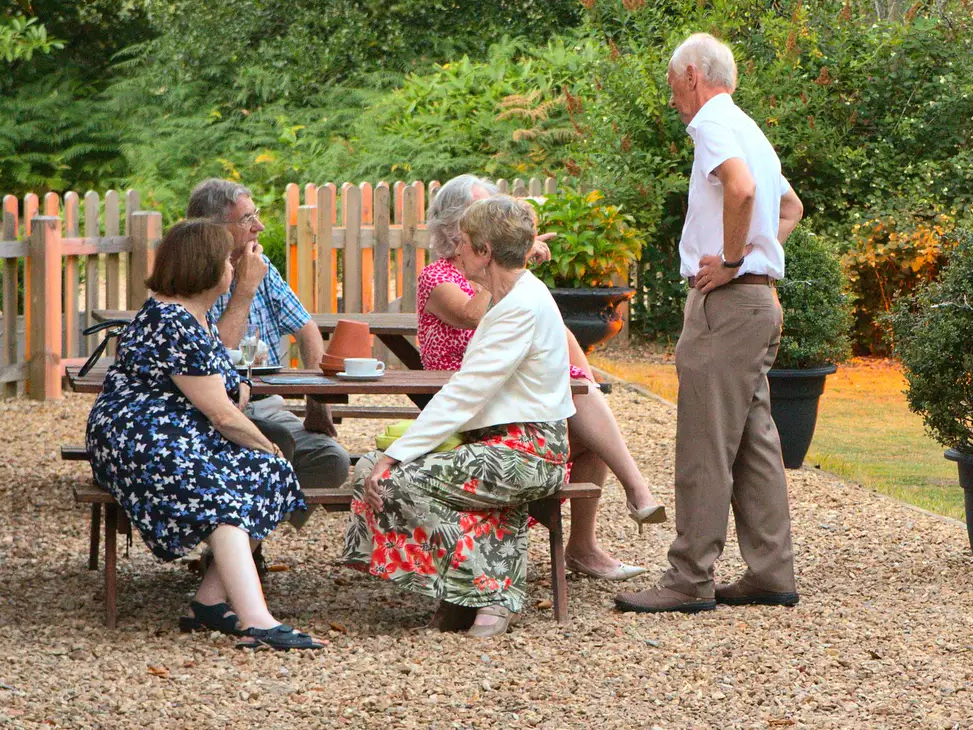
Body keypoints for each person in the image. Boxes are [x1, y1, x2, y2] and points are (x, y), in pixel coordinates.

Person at [615, 32, 804, 614]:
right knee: (754, 441)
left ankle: (689, 578)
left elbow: (742, 191)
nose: (673, 98)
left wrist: (729, 261)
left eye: (674, 85)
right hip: (759, 303)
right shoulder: (754, 132)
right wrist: (754, 257)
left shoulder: (712, 122)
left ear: (693, 75)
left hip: (727, 306)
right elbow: (790, 208)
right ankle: (771, 571)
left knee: (703, 442)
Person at [85, 219, 325, 650]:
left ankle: (209, 603)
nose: (233, 269)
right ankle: (257, 621)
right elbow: (223, 415)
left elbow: (226, 391)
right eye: (226, 262)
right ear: (206, 268)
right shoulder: (173, 321)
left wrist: (255, 431)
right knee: (224, 490)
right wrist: (265, 441)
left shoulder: (195, 318)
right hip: (138, 438)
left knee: (268, 472)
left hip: (175, 429)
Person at [342, 196, 575, 637]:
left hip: (529, 451)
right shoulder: (511, 297)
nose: (456, 249)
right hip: (494, 444)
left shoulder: (521, 306)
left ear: (485, 252)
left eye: (464, 242)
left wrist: (398, 454)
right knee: (369, 469)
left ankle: (487, 592)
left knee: (391, 478)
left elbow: (465, 393)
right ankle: (466, 594)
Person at [416, 174, 665, 580]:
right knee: (582, 403)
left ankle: (583, 547)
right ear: (452, 226)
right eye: (479, 215)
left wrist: (506, 263)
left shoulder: (503, 274)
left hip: (513, 383)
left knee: (589, 435)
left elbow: (552, 332)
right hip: (471, 393)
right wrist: (507, 264)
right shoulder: (437, 276)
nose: (489, 222)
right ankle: (636, 488)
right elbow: (470, 315)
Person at [187, 178, 350, 490]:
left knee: (332, 460)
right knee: (274, 447)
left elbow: (306, 329)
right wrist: (244, 289)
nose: (258, 226)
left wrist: (316, 401)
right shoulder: (193, 277)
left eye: (255, 214)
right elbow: (213, 357)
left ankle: (243, 521)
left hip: (270, 405)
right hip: (217, 411)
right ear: (216, 228)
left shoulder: (262, 266)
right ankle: (243, 525)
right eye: (248, 219)